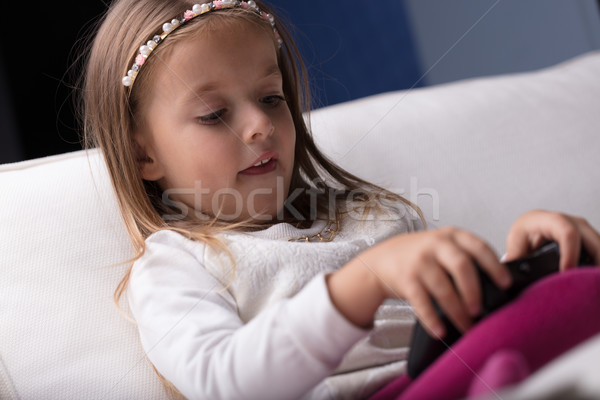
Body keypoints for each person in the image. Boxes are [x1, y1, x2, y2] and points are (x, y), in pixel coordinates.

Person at [81, 0, 600, 398]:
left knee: (571, 287)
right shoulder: (179, 262)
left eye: (271, 97)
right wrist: (363, 283)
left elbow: (453, 314)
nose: (261, 125)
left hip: (455, 366)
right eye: (214, 114)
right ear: (142, 153)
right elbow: (223, 381)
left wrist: (521, 262)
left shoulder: (365, 215)